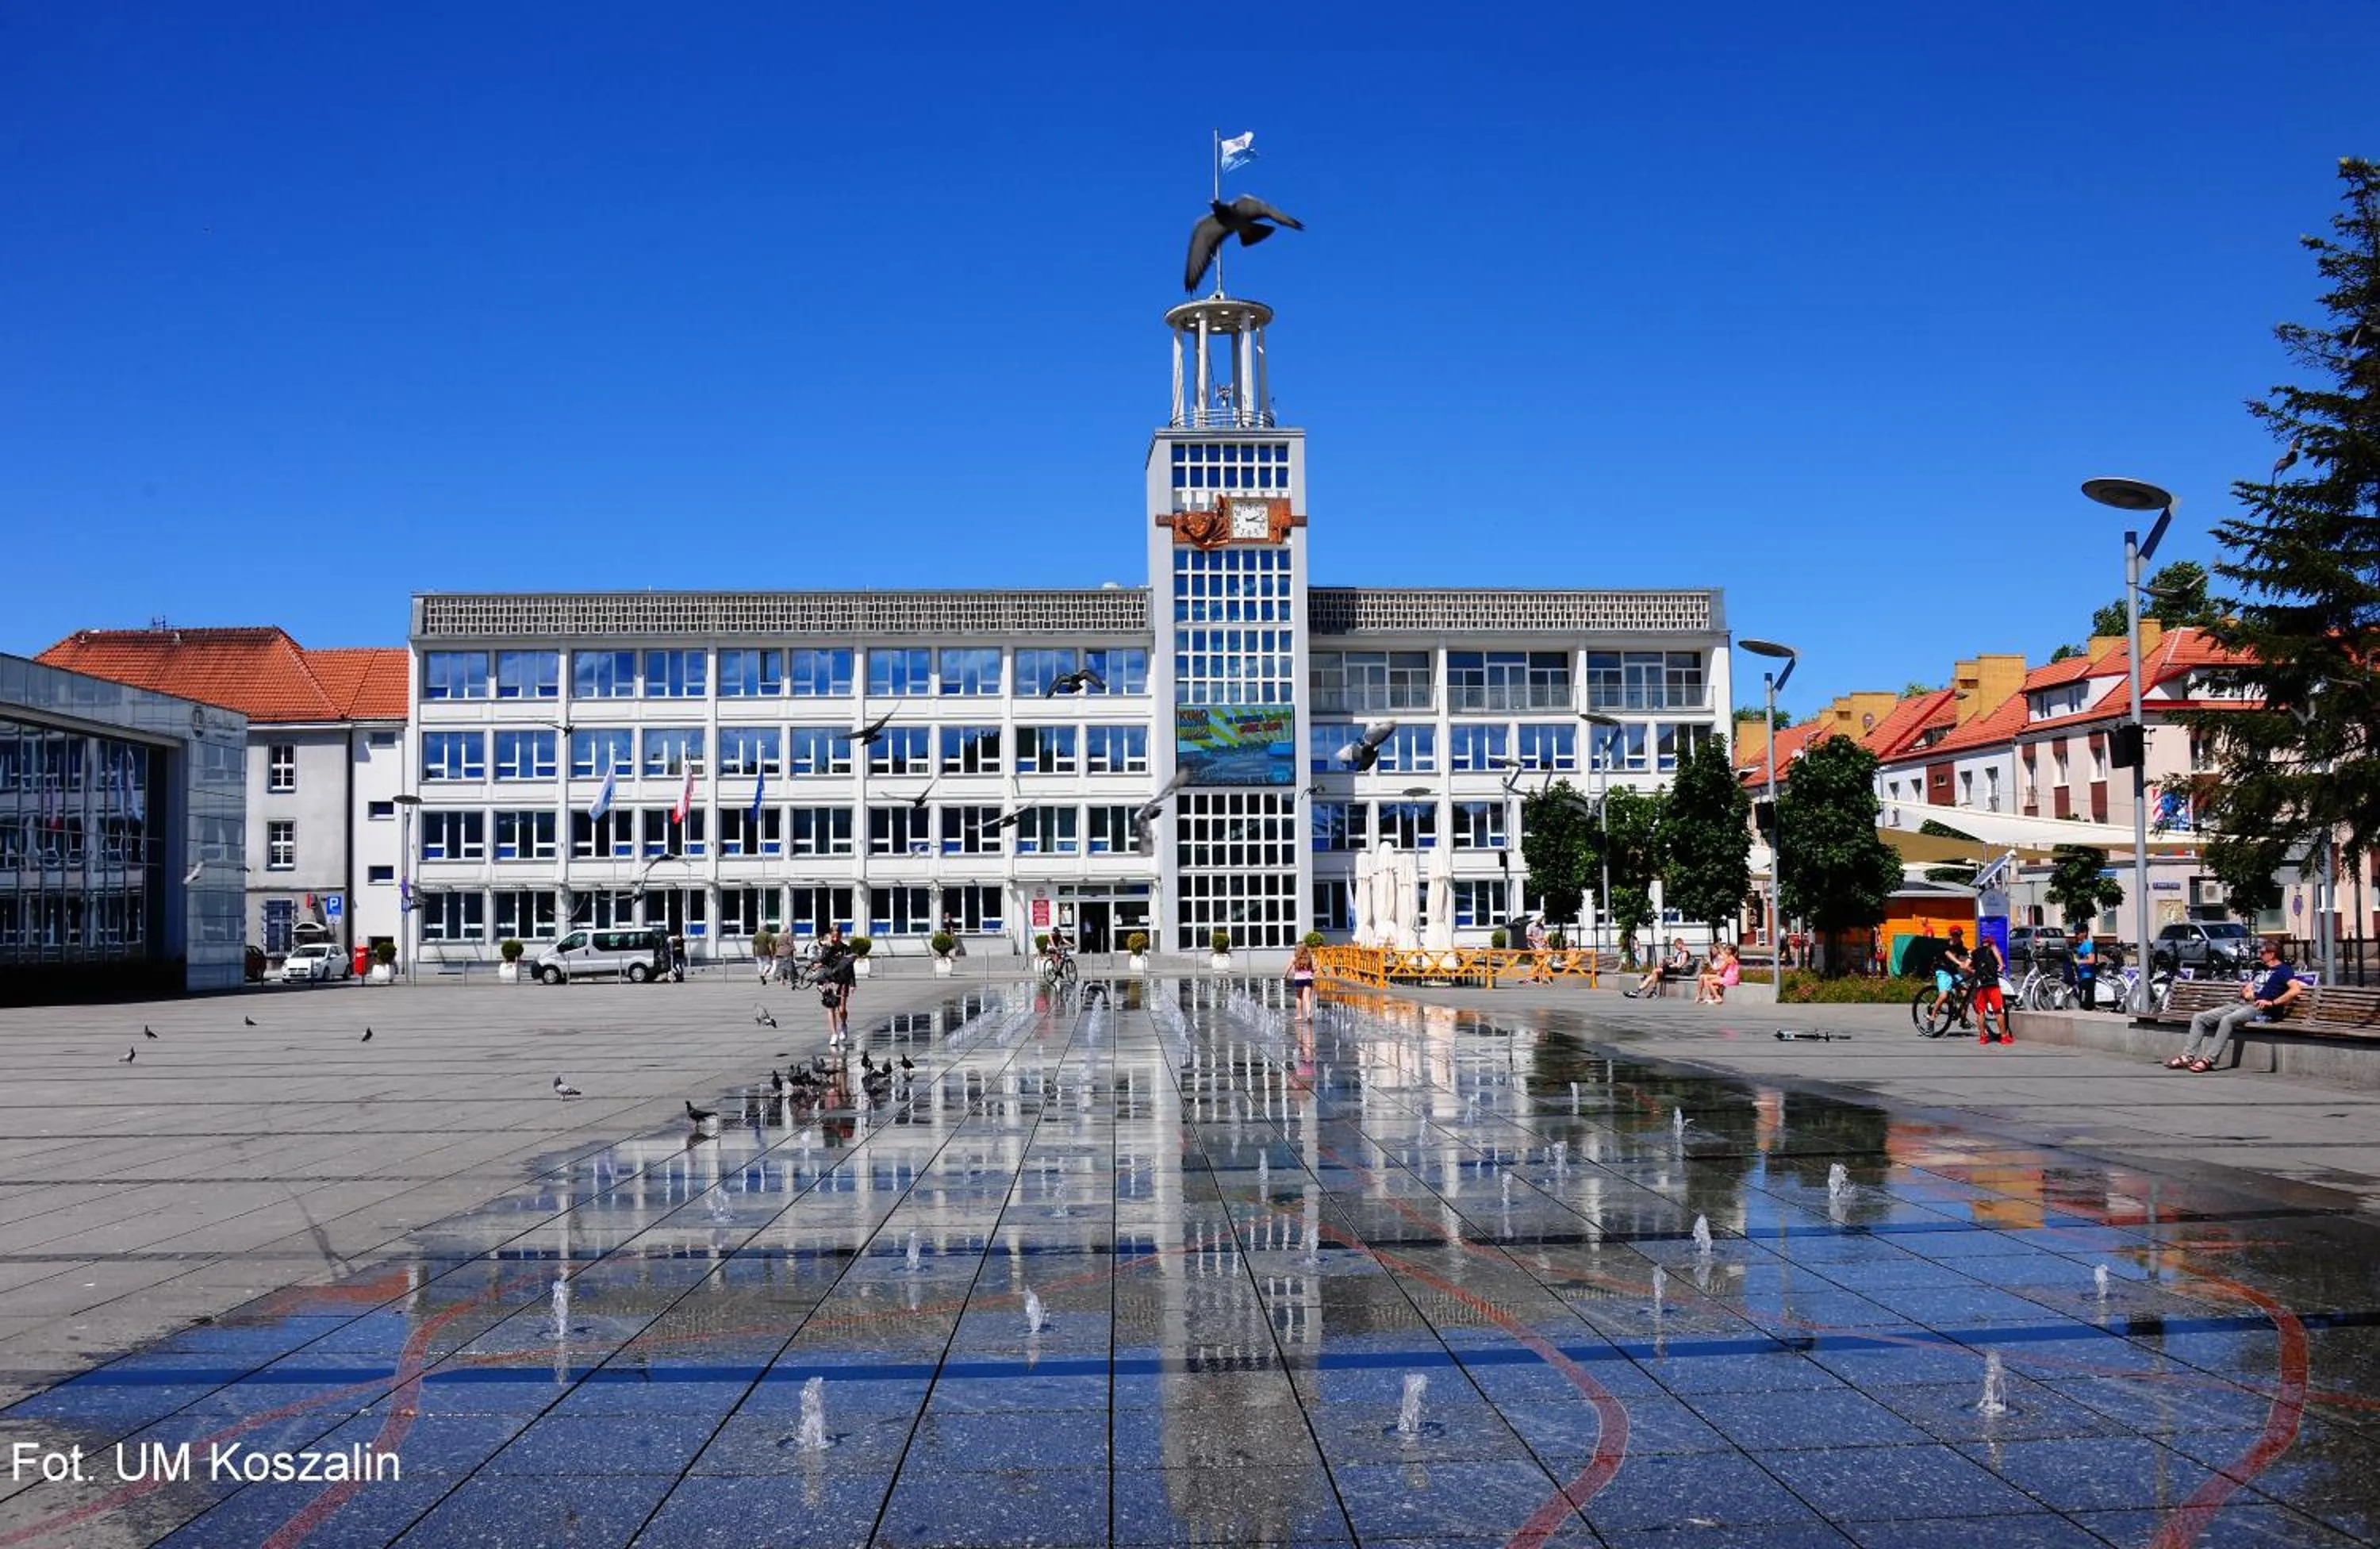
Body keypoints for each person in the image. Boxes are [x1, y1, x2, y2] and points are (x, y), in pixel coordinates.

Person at [2171, 941, 2304, 1072]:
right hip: (2244, 1004)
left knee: (2227, 1020)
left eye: (2263, 953)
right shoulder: (2260, 968)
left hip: (2262, 1010)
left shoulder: (2284, 970)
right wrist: (2246, 992)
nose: (2260, 955)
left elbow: (2295, 990)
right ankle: (2188, 1056)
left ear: (2272, 954)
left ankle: (2208, 1060)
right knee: (2199, 1018)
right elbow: (2247, 988)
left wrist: (2273, 1002)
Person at [818, 924, 857, 1043]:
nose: (835, 938)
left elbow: (850, 967)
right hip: (828, 980)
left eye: (838, 936)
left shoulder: (846, 949)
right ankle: (834, 1034)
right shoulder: (827, 948)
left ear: (841, 935)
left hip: (843, 980)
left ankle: (843, 1024)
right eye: (833, 936)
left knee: (842, 1009)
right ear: (831, 935)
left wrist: (853, 983)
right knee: (831, 1008)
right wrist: (829, 947)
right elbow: (823, 962)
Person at [1968, 932, 2006, 1042]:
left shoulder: (1975, 952)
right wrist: (2000, 967)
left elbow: (1966, 966)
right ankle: (2004, 1037)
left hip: (1981, 985)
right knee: (1998, 1011)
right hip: (1992, 984)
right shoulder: (1993, 948)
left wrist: (1974, 971)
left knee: (1980, 1011)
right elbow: (2001, 964)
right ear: (1991, 943)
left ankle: (1983, 1037)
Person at [1626, 937, 1691, 998]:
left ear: (1681, 943)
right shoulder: (1680, 953)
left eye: (1677, 946)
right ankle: (1637, 992)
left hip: (1677, 970)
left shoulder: (1685, 953)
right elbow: (1675, 962)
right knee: (1652, 976)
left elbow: (1680, 966)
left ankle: (1653, 992)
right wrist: (1669, 961)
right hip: (1672, 969)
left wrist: (1672, 963)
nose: (1676, 948)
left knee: (1655, 971)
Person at [1937, 929, 1973, 1028]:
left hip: (1953, 972)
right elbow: (1948, 954)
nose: (1958, 938)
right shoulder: (1944, 944)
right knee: (1944, 995)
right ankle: (1932, 1017)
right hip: (1943, 970)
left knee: (1966, 994)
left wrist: (1973, 953)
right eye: (1955, 935)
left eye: (1959, 935)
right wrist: (1959, 962)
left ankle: (1963, 1020)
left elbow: (1966, 951)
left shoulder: (1959, 945)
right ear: (1951, 935)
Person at [1285, 944, 1318, 1021]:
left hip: (1299, 979)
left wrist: (1285, 976)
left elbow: (1288, 967)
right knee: (1307, 998)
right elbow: (1314, 968)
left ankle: (1299, 1015)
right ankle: (1309, 1015)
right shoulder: (1310, 957)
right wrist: (1315, 968)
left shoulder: (1295, 958)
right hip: (1308, 979)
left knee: (1299, 997)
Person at [2069, 927, 2098, 1009]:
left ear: (2084, 933)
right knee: (2082, 1002)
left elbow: (2092, 960)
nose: (2076, 935)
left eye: (2078, 933)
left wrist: (2079, 962)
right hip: (2082, 976)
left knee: (2087, 1004)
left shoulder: (2087, 945)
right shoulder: (2081, 945)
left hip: (2087, 976)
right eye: (2075, 933)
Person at [1523, 916, 1552, 984]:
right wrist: (1534, 939)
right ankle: (1538, 979)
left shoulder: (1541, 926)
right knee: (1538, 962)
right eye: (1540, 919)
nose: (1541, 920)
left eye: (1542, 919)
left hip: (1541, 947)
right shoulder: (1530, 926)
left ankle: (1535, 978)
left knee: (1538, 963)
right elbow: (1528, 936)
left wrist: (1546, 942)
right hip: (1534, 947)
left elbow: (1543, 936)